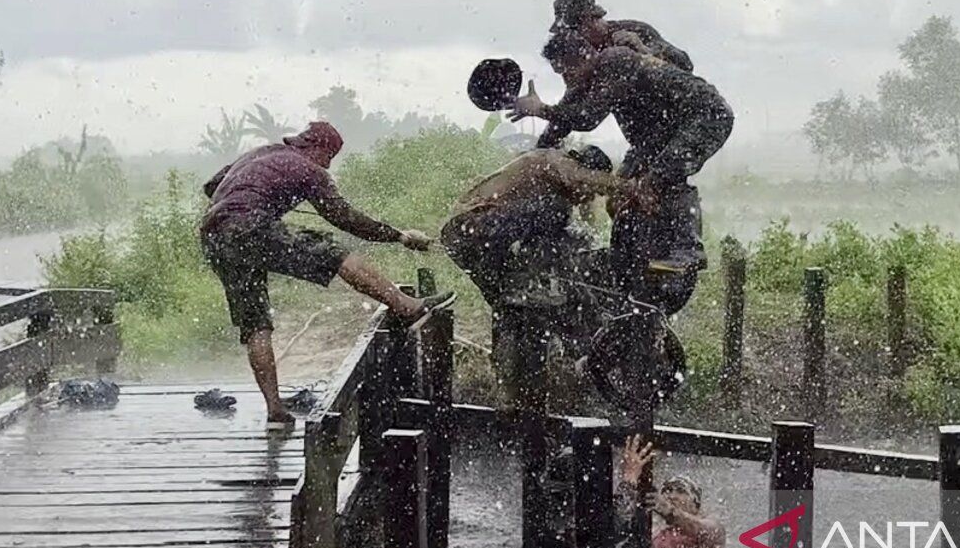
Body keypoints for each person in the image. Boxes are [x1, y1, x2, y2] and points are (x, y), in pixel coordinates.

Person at [201, 121, 451, 428]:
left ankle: (276, 411)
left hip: (214, 235)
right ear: (317, 148)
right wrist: (398, 236)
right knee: (336, 251)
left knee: (255, 323)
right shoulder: (309, 170)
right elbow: (345, 218)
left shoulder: (261, 152)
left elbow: (211, 187)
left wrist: (264, 197)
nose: (329, 164)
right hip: (249, 225)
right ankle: (407, 306)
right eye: (330, 156)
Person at [509, 30, 734, 315]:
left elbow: (586, 118)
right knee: (621, 194)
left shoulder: (615, 61)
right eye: (559, 74)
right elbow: (562, 121)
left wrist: (540, 109)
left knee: (660, 177)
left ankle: (688, 249)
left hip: (704, 116)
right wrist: (534, 158)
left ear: (583, 56)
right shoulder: (587, 78)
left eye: (566, 71)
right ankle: (625, 260)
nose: (566, 80)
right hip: (656, 137)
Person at [440, 145, 634, 406]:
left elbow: (582, 228)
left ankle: (507, 390)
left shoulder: (554, 189)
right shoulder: (553, 161)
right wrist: (632, 187)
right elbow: (577, 178)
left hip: (470, 241)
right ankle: (535, 305)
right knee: (557, 215)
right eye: (592, 191)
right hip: (471, 229)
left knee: (509, 308)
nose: (586, 198)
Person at [618, 434, 725, 548]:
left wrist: (668, 510)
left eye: (681, 491)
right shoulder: (654, 532)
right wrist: (629, 483)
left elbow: (707, 532)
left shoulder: (711, 526)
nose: (672, 496)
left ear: (696, 503)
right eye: (667, 491)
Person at [549, 0, 693, 72]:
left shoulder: (636, 30)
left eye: (574, 30)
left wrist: (644, 51)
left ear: (589, 20)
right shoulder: (584, 55)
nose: (573, 37)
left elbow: (685, 64)